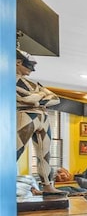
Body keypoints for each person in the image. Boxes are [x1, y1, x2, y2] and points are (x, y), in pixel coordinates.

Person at [16, 48, 63, 193]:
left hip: (43, 118)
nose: (33, 70)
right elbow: (25, 99)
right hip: (26, 116)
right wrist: (41, 94)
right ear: (18, 62)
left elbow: (55, 99)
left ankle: (48, 186)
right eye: (29, 65)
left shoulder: (32, 84)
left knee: (45, 155)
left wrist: (35, 99)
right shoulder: (8, 79)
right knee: (16, 150)